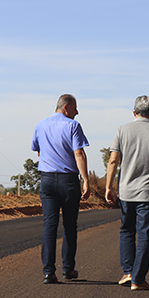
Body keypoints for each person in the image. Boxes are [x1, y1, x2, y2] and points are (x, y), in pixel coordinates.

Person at [105, 96, 149, 291]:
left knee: (127, 230)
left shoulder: (122, 130)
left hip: (126, 192)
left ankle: (128, 272)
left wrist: (108, 187)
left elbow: (113, 161)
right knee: (146, 235)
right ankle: (138, 278)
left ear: (134, 112)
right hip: (148, 193)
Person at [31, 94, 91, 284]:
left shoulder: (40, 125)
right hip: (68, 180)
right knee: (69, 225)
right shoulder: (73, 126)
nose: (77, 112)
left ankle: (48, 272)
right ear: (66, 107)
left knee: (49, 226)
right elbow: (79, 152)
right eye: (75, 108)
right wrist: (86, 180)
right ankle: (68, 268)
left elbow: (39, 151)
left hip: (47, 179)